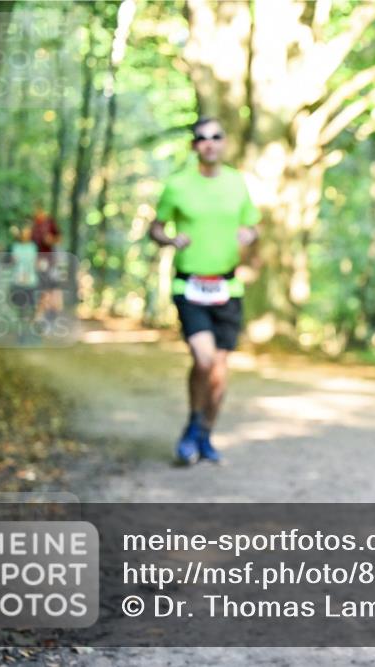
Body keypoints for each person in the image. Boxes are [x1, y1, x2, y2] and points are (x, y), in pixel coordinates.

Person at [149, 117, 261, 465]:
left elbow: (253, 226)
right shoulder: (178, 185)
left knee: (219, 370)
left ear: (224, 142)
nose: (209, 143)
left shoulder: (237, 183)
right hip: (190, 284)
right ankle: (192, 425)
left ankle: (205, 435)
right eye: (201, 138)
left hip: (227, 286)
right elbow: (155, 228)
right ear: (194, 146)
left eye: (216, 136)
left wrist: (250, 237)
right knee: (203, 359)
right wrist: (170, 238)